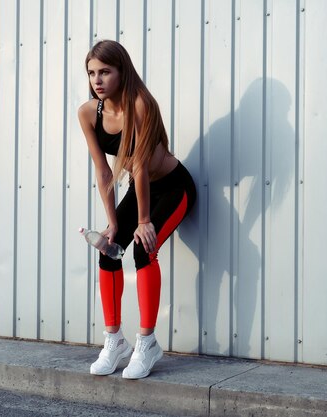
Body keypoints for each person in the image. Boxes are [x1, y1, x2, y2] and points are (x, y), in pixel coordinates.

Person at [78, 40, 196, 379]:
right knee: (109, 251)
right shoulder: (88, 113)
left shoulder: (141, 105)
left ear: (122, 71)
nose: (97, 79)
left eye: (105, 72)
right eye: (91, 73)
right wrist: (113, 223)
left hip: (173, 187)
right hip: (138, 187)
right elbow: (103, 171)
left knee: (145, 249)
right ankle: (115, 341)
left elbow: (141, 165)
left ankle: (147, 343)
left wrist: (144, 221)